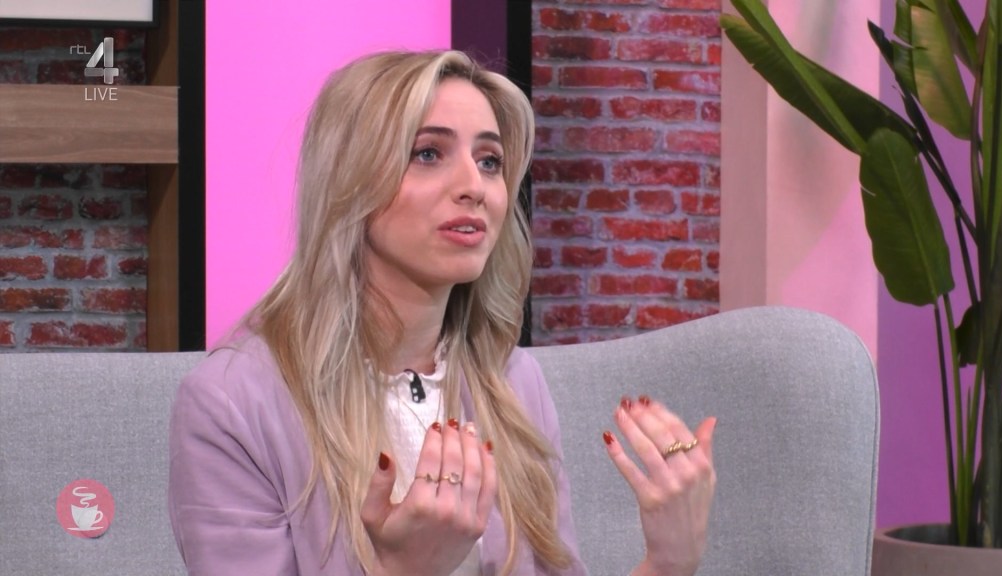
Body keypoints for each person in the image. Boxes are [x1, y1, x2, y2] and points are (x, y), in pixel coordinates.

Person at [168, 49, 717, 576]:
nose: (474, 187)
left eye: (489, 161)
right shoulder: (233, 403)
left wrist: (666, 564)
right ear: (348, 179)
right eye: (428, 153)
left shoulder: (511, 381)